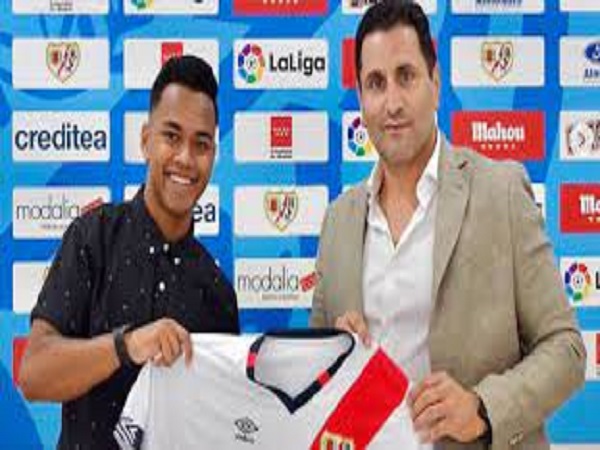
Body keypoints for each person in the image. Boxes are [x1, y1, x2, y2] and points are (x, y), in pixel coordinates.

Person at [310, 1, 586, 449]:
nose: (392, 102)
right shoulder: (338, 221)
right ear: (360, 98)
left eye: (406, 76)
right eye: (376, 83)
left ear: (435, 83)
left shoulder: (500, 192)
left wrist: (482, 408)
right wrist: (334, 354)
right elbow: (315, 380)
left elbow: (566, 348)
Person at [18, 55, 239, 450]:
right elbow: (34, 374)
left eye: (201, 144)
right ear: (145, 140)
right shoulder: (92, 238)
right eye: (171, 136)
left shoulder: (218, 294)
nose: (185, 158)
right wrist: (126, 345)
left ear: (213, 156)